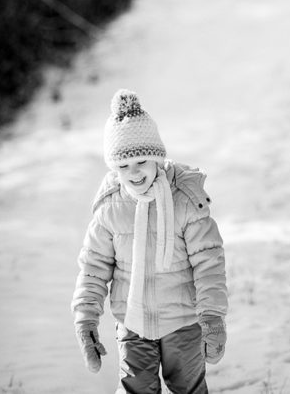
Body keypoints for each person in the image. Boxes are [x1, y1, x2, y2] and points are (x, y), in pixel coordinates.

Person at [71, 89, 228, 394]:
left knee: (189, 389)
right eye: (123, 166)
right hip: (132, 325)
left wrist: (212, 317)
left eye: (141, 161)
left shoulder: (185, 201)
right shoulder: (110, 208)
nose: (134, 173)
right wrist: (86, 317)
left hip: (183, 322)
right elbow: (93, 266)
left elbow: (209, 261)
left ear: (157, 156)